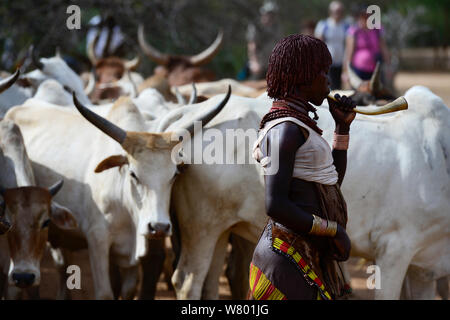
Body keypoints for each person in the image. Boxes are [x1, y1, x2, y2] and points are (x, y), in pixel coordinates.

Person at [249, 34, 355, 300]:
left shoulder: (299, 125)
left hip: (302, 254)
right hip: (284, 260)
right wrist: (333, 230)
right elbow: (275, 204)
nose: (329, 79)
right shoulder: (285, 129)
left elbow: (328, 183)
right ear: (303, 76)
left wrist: (342, 128)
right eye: (323, 71)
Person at [342, 6, 391, 88]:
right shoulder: (353, 31)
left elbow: (384, 49)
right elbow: (349, 52)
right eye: (363, 16)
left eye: (368, 16)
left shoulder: (377, 30)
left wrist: (388, 67)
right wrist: (346, 72)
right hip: (358, 70)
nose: (366, 19)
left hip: (376, 70)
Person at [314, 1, 350, 90]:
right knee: (327, 87)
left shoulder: (346, 26)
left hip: (341, 63)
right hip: (327, 63)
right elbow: (318, 44)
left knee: (338, 89)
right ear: (331, 11)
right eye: (336, 11)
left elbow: (349, 45)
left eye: (340, 11)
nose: (338, 13)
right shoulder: (323, 25)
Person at [244, 1, 282, 80]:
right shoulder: (256, 26)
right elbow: (252, 45)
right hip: (259, 65)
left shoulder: (277, 27)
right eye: (268, 13)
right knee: (253, 86)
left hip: (273, 66)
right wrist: (254, 62)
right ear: (263, 13)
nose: (270, 16)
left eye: (272, 14)